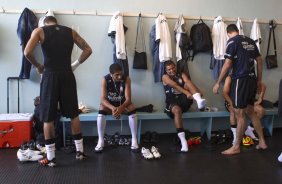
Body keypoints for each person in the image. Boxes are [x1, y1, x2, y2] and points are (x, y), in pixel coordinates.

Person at [24, 16, 92, 166]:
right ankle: (80, 152)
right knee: (74, 114)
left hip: (49, 76)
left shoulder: (39, 31)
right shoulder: (71, 32)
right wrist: (74, 65)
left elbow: (27, 52)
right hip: (67, 75)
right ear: (56, 22)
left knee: (48, 117)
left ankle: (51, 157)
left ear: (44, 23)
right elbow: (88, 49)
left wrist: (38, 66)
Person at [213, 24, 267, 155]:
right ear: (238, 31)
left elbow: (227, 64)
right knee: (251, 111)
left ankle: (236, 146)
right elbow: (259, 60)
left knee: (240, 114)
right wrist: (259, 80)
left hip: (240, 80)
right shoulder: (250, 41)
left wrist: (218, 82)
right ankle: (262, 142)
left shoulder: (232, 41)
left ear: (228, 33)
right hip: (252, 80)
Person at [162, 60, 206, 152]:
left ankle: (198, 99)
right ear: (166, 71)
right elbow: (174, 85)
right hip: (172, 103)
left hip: (184, 101)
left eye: (173, 68)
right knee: (177, 111)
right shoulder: (165, 77)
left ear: (175, 67)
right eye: (169, 69)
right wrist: (187, 92)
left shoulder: (182, 74)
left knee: (187, 83)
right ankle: (183, 141)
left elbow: (187, 83)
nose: (171, 70)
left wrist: (190, 92)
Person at [95, 63, 139, 153]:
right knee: (101, 107)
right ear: (111, 74)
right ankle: (100, 140)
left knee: (131, 107)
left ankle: (134, 140)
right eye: (116, 75)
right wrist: (113, 108)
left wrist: (121, 108)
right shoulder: (105, 79)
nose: (119, 77)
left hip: (122, 103)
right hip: (109, 104)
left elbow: (128, 99)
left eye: (120, 74)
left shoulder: (126, 79)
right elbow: (102, 99)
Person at [223, 74, 267, 144]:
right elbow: (225, 93)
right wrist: (233, 104)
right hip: (231, 101)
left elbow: (263, 86)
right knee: (233, 110)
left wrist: (260, 98)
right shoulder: (230, 77)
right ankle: (235, 135)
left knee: (261, 111)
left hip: (245, 102)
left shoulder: (250, 77)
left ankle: (249, 130)